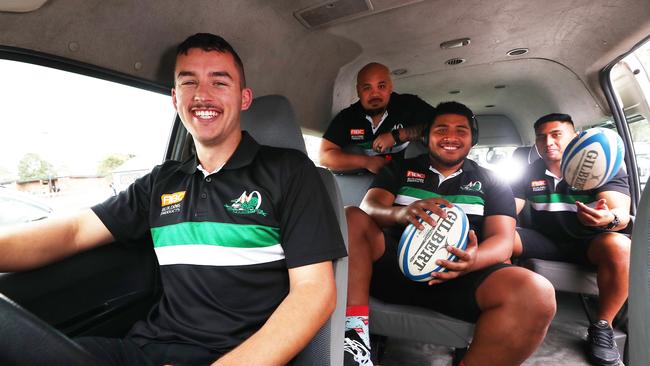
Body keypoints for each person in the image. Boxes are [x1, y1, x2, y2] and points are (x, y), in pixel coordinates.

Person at [0, 33, 347, 366]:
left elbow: (313, 292)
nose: (203, 95)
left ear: (243, 98)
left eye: (220, 81)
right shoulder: (161, 182)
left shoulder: (290, 172)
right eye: (189, 82)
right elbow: (75, 231)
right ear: (175, 98)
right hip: (145, 351)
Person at [343, 101, 556, 366]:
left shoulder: (492, 181)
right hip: (393, 268)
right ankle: (354, 340)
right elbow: (369, 207)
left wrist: (470, 262)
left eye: (461, 131)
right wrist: (400, 213)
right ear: (427, 135)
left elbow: (502, 240)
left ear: (472, 139)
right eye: (441, 129)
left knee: (538, 294)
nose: (451, 137)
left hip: (461, 277)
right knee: (351, 216)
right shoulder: (398, 169)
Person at [511, 113, 631, 366]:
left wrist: (606, 218)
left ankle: (602, 327)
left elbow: (620, 214)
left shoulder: (604, 166)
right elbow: (509, 210)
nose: (548, 142)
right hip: (546, 240)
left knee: (620, 245)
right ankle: (501, 312)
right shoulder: (529, 172)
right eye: (541, 137)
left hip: (590, 243)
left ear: (575, 138)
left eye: (556, 134)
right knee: (501, 237)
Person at [319, 62, 436, 174]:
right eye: (367, 88)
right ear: (358, 91)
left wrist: (398, 135)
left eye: (381, 86)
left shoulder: (409, 105)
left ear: (390, 88)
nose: (375, 94)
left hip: (409, 178)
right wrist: (366, 162)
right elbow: (324, 156)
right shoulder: (347, 118)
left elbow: (445, 126)